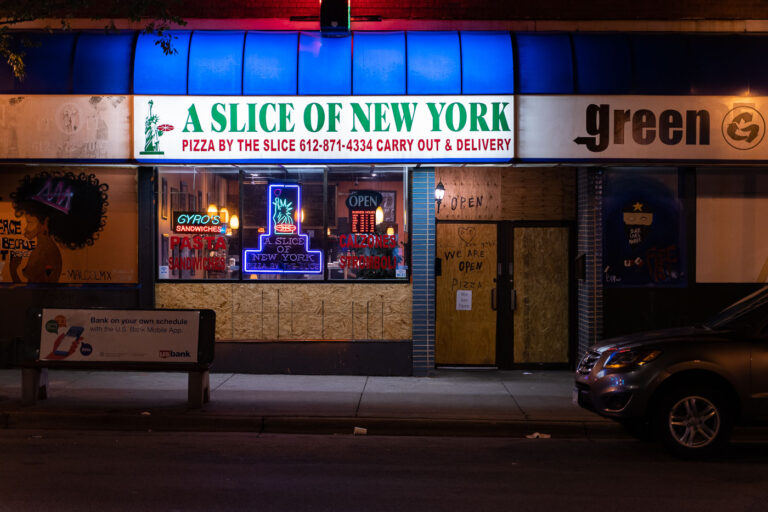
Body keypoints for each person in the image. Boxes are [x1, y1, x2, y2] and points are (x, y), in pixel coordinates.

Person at [9, 171, 108, 283]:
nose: (26, 228)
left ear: (45, 222)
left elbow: (38, 291)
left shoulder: (45, 252)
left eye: (30, 222)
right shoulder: (45, 249)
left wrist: (13, 271)